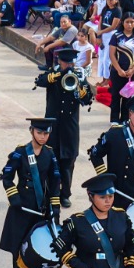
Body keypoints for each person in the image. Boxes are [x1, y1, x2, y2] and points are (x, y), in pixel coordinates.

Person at [0, 118, 63, 268]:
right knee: (19, 242)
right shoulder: (20, 152)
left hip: (40, 206)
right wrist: (14, 197)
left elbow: (55, 180)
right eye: (39, 133)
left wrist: (55, 206)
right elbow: (6, 176)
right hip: (22, 206)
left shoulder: (49, 154)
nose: (43, 137)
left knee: (36, 241)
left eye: (46, 133)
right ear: (31, 131)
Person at [86, 95, 134, 211]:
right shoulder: (114, 134)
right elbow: (95, 154)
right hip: (116, 193)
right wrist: (106, 178)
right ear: (130, 114)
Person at [34, 46, 94, 197]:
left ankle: (65, 194)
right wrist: (57, 75)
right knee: (50, 159)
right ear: (59, 61)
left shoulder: (78, 76)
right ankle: (51, 192)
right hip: (53, 125)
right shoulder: (53, 73)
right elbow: (40, 81)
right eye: (65, 63)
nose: (68, 66)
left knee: (68, 162)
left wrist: (80, 88)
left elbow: (87, 99)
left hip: (69, 126)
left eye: (71, 64)